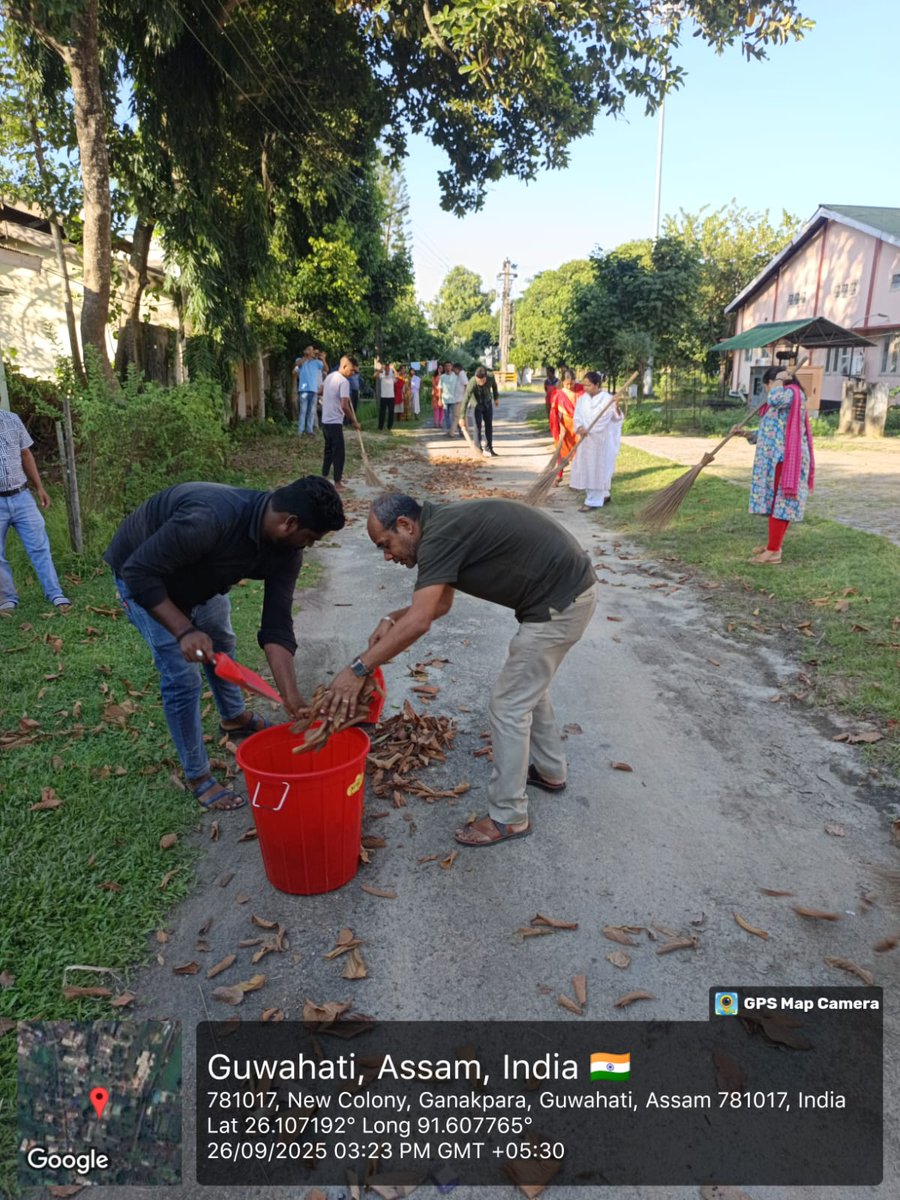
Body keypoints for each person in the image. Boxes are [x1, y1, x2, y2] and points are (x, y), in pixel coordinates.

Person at [324, 494, 598, 846]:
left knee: (508, 704)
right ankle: (550, 770)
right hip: (564, 594)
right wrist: (391, 618)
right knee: (527, 686)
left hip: (561, 602)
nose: (388, 556)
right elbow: (439, 605)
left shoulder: (439, 537)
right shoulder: (441, 528)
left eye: (385, 544)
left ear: (406, 525)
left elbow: (421, 621)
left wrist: (358, 669)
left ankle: (509, 817)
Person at [104, 477, 345, 810]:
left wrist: (291, 697)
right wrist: (184, 630)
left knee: (220, 639)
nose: (310, 546)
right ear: (289, 524)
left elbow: (276, 625)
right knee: (182, 675)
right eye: (310, 538)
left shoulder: (286, 552)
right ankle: (198, 775)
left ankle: (234, 717)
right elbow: (138, 571)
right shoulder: (210, 517)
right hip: (145, 576)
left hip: (199, 577)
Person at [735, 366, 815, 565]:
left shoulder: (790, 394)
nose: (768, 392)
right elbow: (770, 431)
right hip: (776, 459)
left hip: (785, 459)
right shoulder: (782, 400)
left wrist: (779, 379)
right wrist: (746, 434)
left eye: (767, 386)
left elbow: (775, 398)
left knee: (781, 504)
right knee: (776, 504)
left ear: (774, 383)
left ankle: (773, 551)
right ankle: (774, 544)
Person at [0, 407, 71, 614]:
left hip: (22, 497)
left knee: (40, 547)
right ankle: (7, 599)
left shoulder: (12, 420)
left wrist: (40, 487)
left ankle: (55, 593)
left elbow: (25, 453)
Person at [569, 371, 623, 510]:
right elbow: (578, 416)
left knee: (598, 469)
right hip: (586, 440)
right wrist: (580, 427)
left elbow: (616, 418)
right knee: (587, 468)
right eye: (584, 385)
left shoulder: (607, 399)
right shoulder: (582, 399)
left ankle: (592, 501)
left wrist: (616, 405)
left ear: (597, 385)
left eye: (588, 385)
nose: (585, 388)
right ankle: (604, 494)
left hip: (601, 441)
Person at [321, 355, 362, 492]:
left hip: (325, 421)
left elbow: (321, 391)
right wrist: (354, 421)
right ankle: (337, 484)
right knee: (339, 453)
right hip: (334, 422)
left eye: (355, 372)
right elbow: (344, 406)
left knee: (328, 451)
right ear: (344, 366)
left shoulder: (330, 377)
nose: (353, 374)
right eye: (352, 370)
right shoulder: (344, 382)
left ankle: (324, 478)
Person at [548, 368, 579, 484]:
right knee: (561, 452)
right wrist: (558, 427)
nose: (570, 386)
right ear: (563, 382)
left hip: (577, 426)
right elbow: (554, 413)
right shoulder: (558, 394)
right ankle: (559, 475)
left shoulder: (579, 393)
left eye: (572, 383)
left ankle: (577, 478)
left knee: (577, 452)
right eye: (567, 384)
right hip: (564, 427)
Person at [460, 366, 499, 456]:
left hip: (487, 403)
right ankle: (478, 450)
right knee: (477, 427)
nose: (480, 383)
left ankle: (489, 448)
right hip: (476, 405)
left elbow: (494, 386)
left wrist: (496, 397)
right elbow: (465, 399)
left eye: (482, 380)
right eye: (478, 381)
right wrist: (462, 417)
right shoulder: (472, 382)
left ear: (486, 377)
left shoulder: (490, 376)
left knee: (489, 425)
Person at [293, 346, 325, 436]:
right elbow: (297, 366)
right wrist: (307, 356)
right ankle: (300, 431)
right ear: (305, 351)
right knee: (303, 410)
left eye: (312, 350)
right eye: (309, 350)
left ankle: (309, 430)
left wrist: (322, 358)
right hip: (303, 390)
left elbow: (326, 369)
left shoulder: (317, 362)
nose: (312, 351)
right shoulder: (300, 360)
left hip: (313, 390)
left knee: (311, 411)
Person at [375, 361, 397, 431]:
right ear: (384, 369)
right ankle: (380, 427)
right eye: (386, 368)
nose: (387, 370)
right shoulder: (382, 374)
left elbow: (397, 376)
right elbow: (375, 376)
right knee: (382, 412)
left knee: (391, 412)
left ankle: (389, 427)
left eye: (388, 368)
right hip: (383, 396)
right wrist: (380, 369)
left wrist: (393, 369)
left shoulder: (392, 375)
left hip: (391, 396)